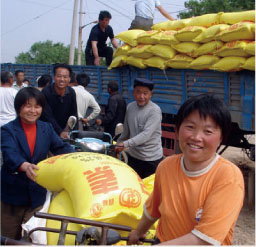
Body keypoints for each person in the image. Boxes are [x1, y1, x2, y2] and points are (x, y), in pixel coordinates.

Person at [128, 94, 245, 245]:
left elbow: (204, 240)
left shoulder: (228, 177)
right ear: (177, 130)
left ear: (221, 138)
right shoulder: (166, 166)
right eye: (190, 127)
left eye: (208, 131)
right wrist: (138, 232)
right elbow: (153, 209)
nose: (196, 137)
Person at [1, 87, 74, 240]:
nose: (33, 110)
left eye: (37, 106)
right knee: (8, 238)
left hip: (37, 195)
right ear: (18, 107)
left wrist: (80, 156)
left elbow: (60, 147)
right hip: (12, 197)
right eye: (28, 106)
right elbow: (10, 154)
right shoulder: (7, 130)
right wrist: (24, 165)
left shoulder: (46, 128)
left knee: (33, 238)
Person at [115, 78, 163, 178]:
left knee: (148, 190)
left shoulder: (154, 111)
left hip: (151, 159)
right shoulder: (130, 107)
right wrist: (117, 144)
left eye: (145, 93)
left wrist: (125, 144)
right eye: (138, 92)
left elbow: (145, 135)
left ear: (151, 94)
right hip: (134, 157)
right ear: (133, 93)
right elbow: (126, 131)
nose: (141, 96)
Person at [40, 64, 78, 139]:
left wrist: (74, 134)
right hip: (47, 130)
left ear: (69, 79)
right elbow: (47, 116)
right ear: (54, 77)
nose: (62, 79)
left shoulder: (71, 92)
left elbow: (74, 114)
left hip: (65, 132)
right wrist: (60, 132)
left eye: (65, 77)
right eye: (59, 76)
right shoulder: (46, 92)